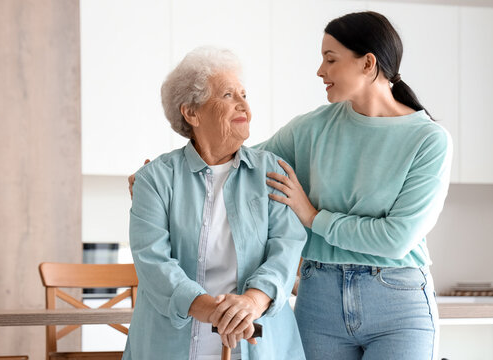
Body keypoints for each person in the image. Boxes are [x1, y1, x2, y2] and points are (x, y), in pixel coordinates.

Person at [130, 11, 451, 360]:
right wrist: (162, 177)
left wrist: (313, 218)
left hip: (396, 297)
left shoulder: (428, 139)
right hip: (320, 297)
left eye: (330, 59)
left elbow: (396, 238)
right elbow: (233, 158)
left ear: (367, 63)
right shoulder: (312, 128)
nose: (319, 70)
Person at [123, 46, 306, 360]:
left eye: (244, 94)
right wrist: (212, 311)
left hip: (257, 338)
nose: (243, 105)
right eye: (227, 95)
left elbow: (286, 248)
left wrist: (252, 301)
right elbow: (153, 262)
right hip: (170, 342)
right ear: (191, 113)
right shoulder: (154, 179)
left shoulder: (271, 170)